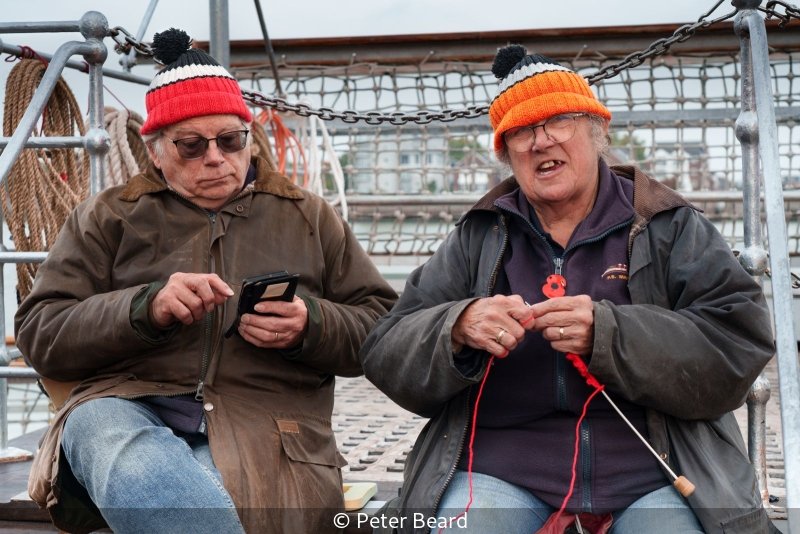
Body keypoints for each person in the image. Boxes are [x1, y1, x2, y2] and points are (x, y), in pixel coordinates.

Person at [360, 45, 777, 534]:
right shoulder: (480, 233)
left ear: (596, 131)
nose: (540, 141)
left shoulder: (669, 225)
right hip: (501, 466)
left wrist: (610, 333)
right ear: (505, 152)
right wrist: (456, 327)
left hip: (657, 468)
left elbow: (739, 343)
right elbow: (384, 349)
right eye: (520, 131)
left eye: (557, 121)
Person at [15, 28, 396, 534]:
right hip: (128, 405)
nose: (215, 157)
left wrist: (311, 324)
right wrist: (145, 309)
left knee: (193, 493)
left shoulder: (309, 217)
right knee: (104, 431)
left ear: (245, 136)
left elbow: (385, 328)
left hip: (266, 427)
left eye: (230, 140)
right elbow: (42, 333)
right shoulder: (107, 216)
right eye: (191, 145)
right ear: (155, 151)